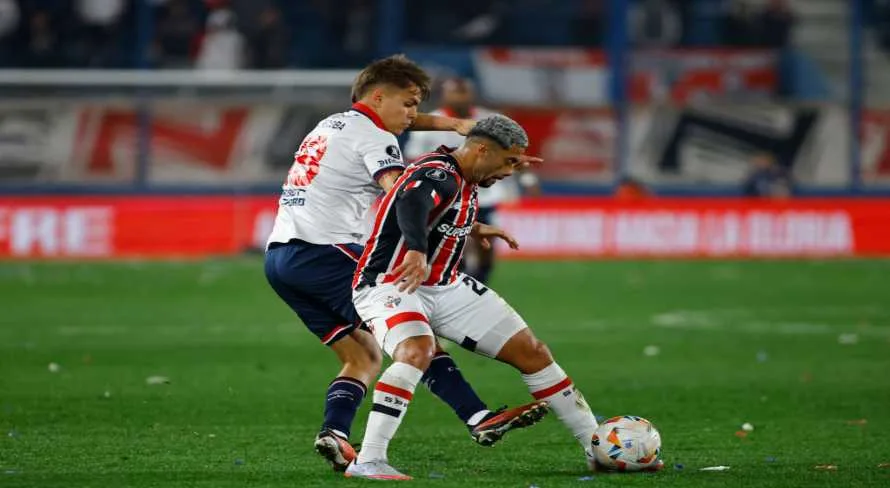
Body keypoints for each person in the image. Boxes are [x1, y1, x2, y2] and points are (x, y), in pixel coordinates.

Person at [264, 55, 548, 473]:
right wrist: (466, 223)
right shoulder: (377, 141)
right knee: (417, 334)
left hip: (281, 258)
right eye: (410, 103)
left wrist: (451, 125)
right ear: (380, 96)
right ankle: (477, 416)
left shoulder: (332, 123)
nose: (414, 113)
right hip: (329, 251)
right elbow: (403, 194)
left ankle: (335, 434)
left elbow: (396, 122)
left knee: (363, 356)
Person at [346, 115, 601, 480]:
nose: (512, 171)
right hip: (390, 282)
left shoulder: (467, 177)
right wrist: (416, 250)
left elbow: (440, 211)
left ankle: (597, 447)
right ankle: (368, 460)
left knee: (533, 353)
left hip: (446, 286)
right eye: (509, 161)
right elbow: (412, 203)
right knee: (417, 350)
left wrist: (475, 226)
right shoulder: (438, 172)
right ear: (481, 149)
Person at [405, 77, 539, 284]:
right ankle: (459, 279)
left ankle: (480, 280)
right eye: (455, 92)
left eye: (464, 92)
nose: (460, 97)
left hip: (486, 194)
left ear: (472, 94)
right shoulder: (432, 122)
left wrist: (528, 178)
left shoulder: (490, 120)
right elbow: (414, 159)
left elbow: (513, 153)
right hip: (449, 193)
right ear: (445, 95)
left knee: (487, 244)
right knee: (458, 242)